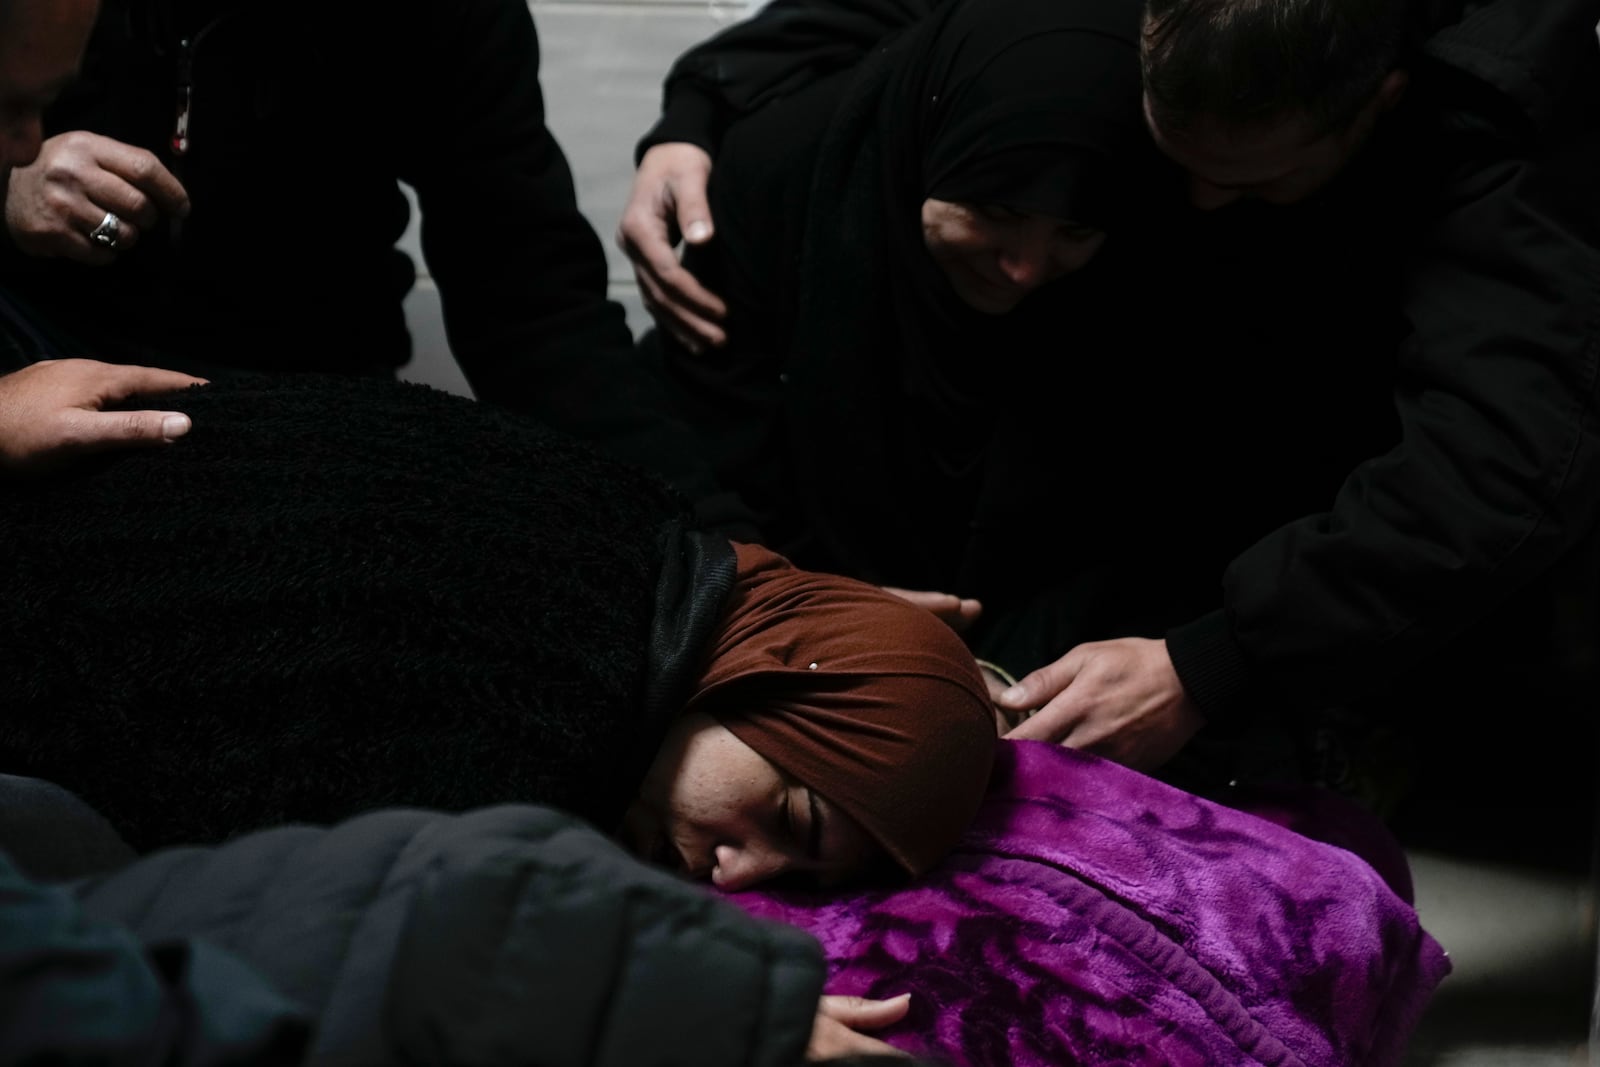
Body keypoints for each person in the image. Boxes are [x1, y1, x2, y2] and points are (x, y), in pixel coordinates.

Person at [618, 0, 1600, 848]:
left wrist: (1214, 659)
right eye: (1169, 158)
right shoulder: (798, 189)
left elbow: (1507, 460)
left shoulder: (1499, 130)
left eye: (1254, 183)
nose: (1202, 206)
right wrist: (700, 109)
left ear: (1380, 107)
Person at [0, 0, 751, 524]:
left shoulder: (439, 18)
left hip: (310, 429)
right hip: (40, 388)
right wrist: (6, 183)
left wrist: (711, 537)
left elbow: (533, 301)